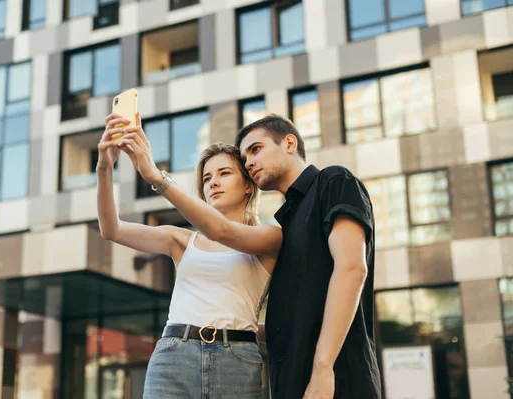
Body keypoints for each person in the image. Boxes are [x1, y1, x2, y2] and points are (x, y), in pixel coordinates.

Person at [121, 113, 382, 399]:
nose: (250, 162)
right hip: (290, 380)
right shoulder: (287, 223)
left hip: (336, 377)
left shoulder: (333, 180)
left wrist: (323, 367)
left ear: (290, 143)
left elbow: (352, 269)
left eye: (256, 150)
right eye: (245, 158)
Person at [96, 112, 282, 398]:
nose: (213, 183)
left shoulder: (269, 237)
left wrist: (157, 178)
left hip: (237, 359)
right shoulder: (182, 240)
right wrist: (104, 169)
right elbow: (112, 229)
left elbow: (222, 230)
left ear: (248, 185)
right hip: (175, 355)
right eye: (207, 178)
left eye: (224, 173)